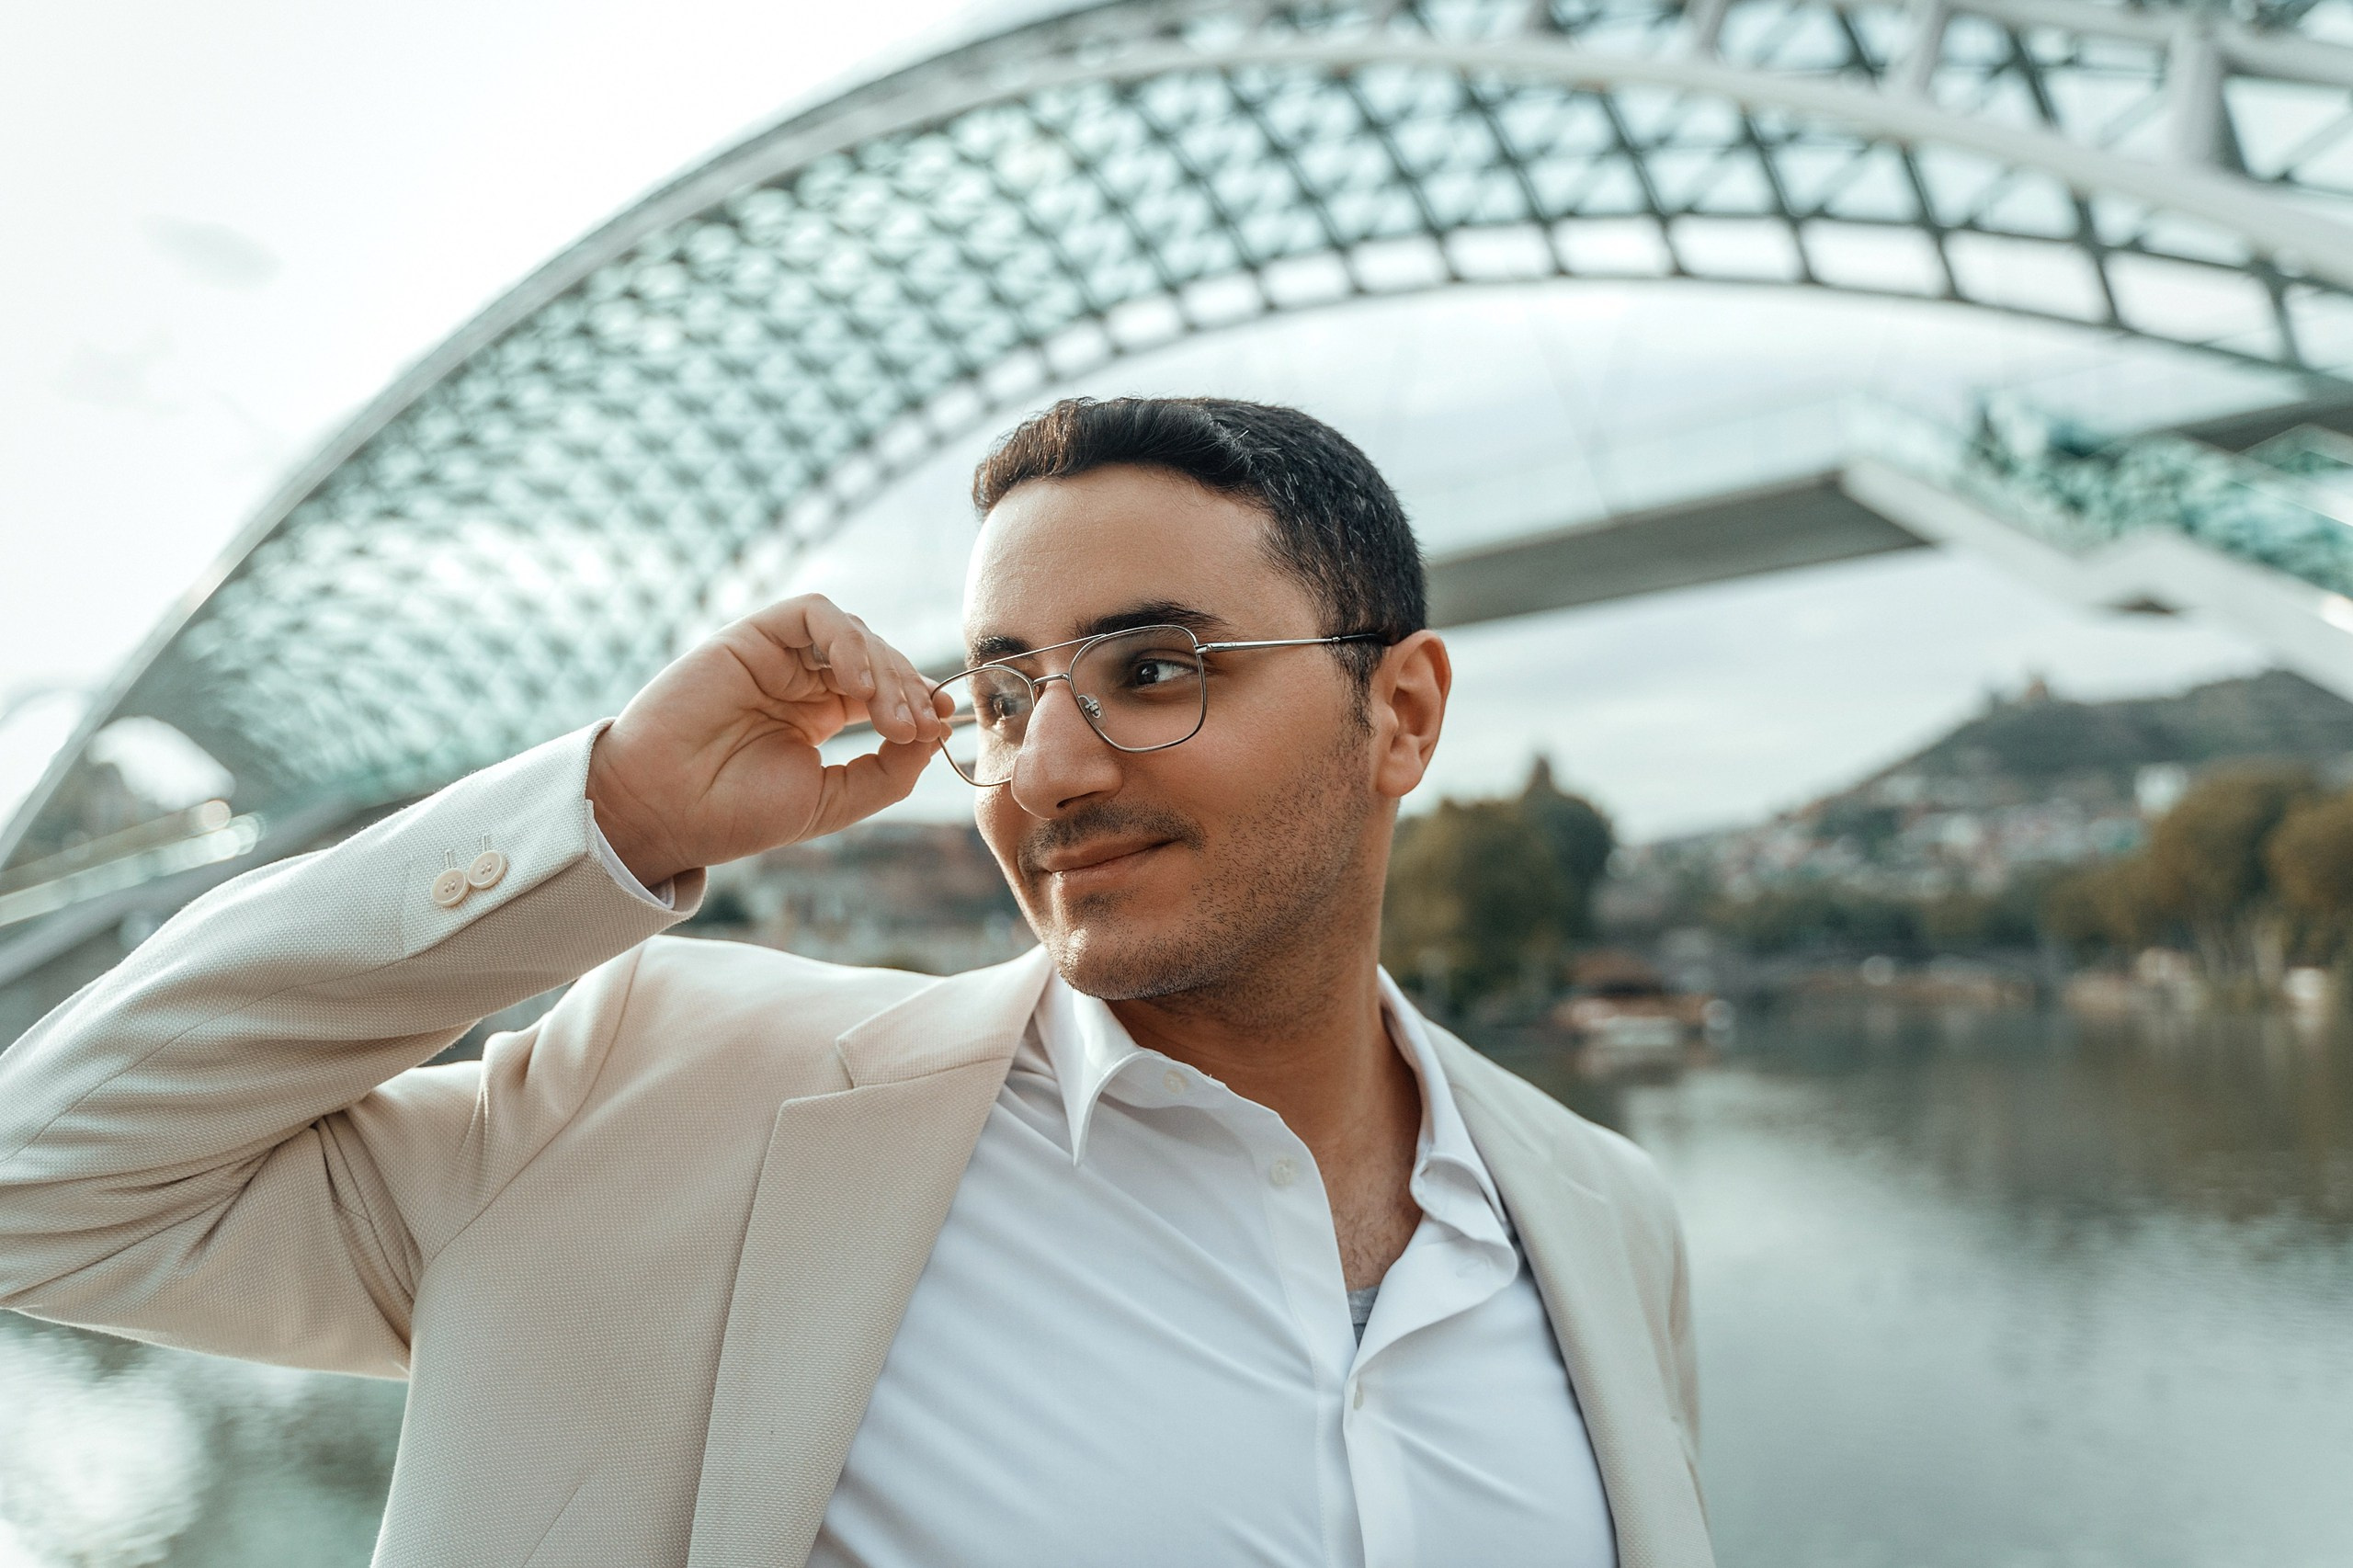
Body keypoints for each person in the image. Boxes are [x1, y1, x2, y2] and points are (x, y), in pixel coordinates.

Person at [0, 398, 1711, 1568]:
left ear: (1402, 711)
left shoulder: (1598, 1215)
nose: (1045, 768)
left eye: (1153, 667)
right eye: (1002, 689)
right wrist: (614, 810)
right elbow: (42, 1184)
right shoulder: (678, 1103)